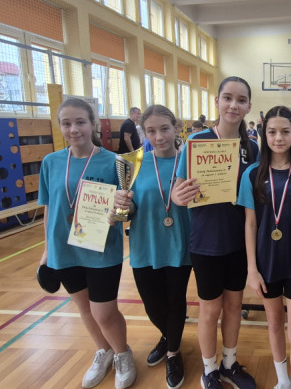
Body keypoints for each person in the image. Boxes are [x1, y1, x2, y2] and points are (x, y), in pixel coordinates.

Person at [38, 98, 136, 389]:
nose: (74, 129)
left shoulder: (115, 162)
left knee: (103, 312)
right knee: (84, 308)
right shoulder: (50, 162)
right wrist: (47, 251)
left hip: (101, 249)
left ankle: (122, 353)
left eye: (80, 122)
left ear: (93, 124)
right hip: (63, 249)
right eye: (66, 123)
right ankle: (104, 351)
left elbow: (127, 211)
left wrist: (121, 210)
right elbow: (49, 209)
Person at [171, 76, 259, 389]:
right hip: (206, 242)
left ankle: (229, 364)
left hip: (239, 243)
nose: (234, 105)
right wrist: (178, 196)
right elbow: (177, 191)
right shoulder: (196, 142)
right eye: (228, 98)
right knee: (210, 310)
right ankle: (208, 370)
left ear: (249, 106)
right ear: (217, 101)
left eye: (241, 100)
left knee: (234, 307)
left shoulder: (252, 148)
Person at [238, 106, 291, 389]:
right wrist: (251, 269)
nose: (278, 138)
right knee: (273, 324)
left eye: (285, 131)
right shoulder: (252, 174)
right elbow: (250, 224)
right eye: (272, 132)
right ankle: (283, 380)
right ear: (264, 134)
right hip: (266, 262)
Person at [112, 105, 191, 389]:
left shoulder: (189, 162)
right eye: (151, 131)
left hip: (180, 244)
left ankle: (173, 353)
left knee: (175, 301)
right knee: (152, 305)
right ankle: (168, 336)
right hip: (145, 244)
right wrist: (123, 205)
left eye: (164, 129)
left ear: (176, 128)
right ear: (143, 133)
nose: (159, 137)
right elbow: (128, 210)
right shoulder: (134, 164)